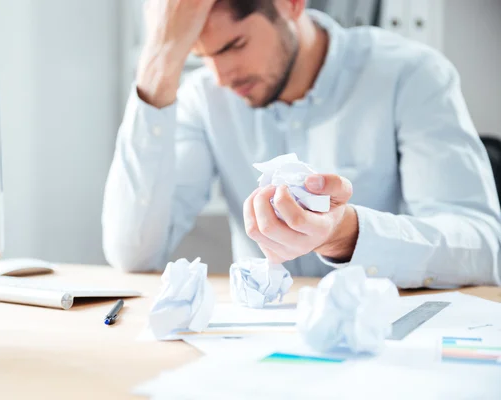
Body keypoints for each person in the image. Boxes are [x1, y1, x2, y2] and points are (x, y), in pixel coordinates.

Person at [102, 0, 501, 288]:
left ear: (291, 5)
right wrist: (158, 62)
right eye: (199, 55)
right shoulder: (204, 97)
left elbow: (482, 250)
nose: (221, 76)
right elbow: (134, 255)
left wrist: (346, 233)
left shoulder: (409, 75)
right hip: (259, 350)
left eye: (234, 46)